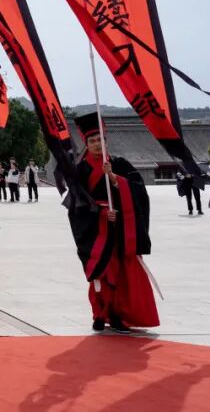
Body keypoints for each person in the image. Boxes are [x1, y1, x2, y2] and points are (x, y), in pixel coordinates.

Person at [67, 112, 159, 334]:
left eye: (100, 140)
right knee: (99, 272)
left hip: (118, 228)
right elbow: (75, 203)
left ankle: (117, 314)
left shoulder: (118, 164)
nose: (97, 144)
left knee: (117, 273)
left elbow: (138, 190)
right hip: (94, 230)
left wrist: (116, 179)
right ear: (86, 144)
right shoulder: (80, 170)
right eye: (92, 141)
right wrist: (99, 212)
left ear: (105, 141)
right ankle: (99, 313)